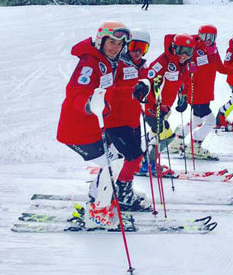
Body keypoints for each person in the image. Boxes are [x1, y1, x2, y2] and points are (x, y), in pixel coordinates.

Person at [56, 21, 132, 229]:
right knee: (112, 163)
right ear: (101, 40)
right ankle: (98, 211)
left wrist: (134, 90)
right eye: (111, 42)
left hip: (92, 126)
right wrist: (88, 105)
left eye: (119, 44)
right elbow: (76, 92)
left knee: (115, 156)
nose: (115, 47)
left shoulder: (106, 62)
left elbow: (112, 91)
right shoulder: (90, 62)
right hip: (77, 129)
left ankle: (97, 196)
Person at [171, 24, 233, 159]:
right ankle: (195, 145)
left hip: (206, 92)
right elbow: (184, 72)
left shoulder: (213, 50)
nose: (208, 39)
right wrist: (182, 94)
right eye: (205, 36)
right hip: (195, 93)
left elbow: (220, 67)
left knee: (197, 119)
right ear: (199, 35)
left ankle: (178, 138)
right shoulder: (193, 50)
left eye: (212, 37)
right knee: (210, 121)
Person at [104, 29, 151, 210]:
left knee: (134, 157)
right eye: (133, 46)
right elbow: (110, 92)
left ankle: (121, 188)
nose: (137, 51)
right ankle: (122, 194)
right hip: (115, 121)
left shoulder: (143, 67)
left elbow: (146, 89)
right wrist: (132, 91)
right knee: (133, 157)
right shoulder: (117, 65)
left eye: (142, 47)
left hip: (133, 120)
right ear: (126, 46)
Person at [141, 33, 196, 175]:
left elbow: (184, 81)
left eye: (188, 51)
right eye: (180, 50)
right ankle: (147, 163)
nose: (184, 55)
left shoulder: (184, 64)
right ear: (173, 48)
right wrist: (153, 105)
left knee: (156, 134)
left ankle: (138, 158)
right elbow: (146, 84)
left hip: (165, 108)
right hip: (152, 107)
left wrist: (183, 97)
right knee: (166, 135)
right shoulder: (162, 62)